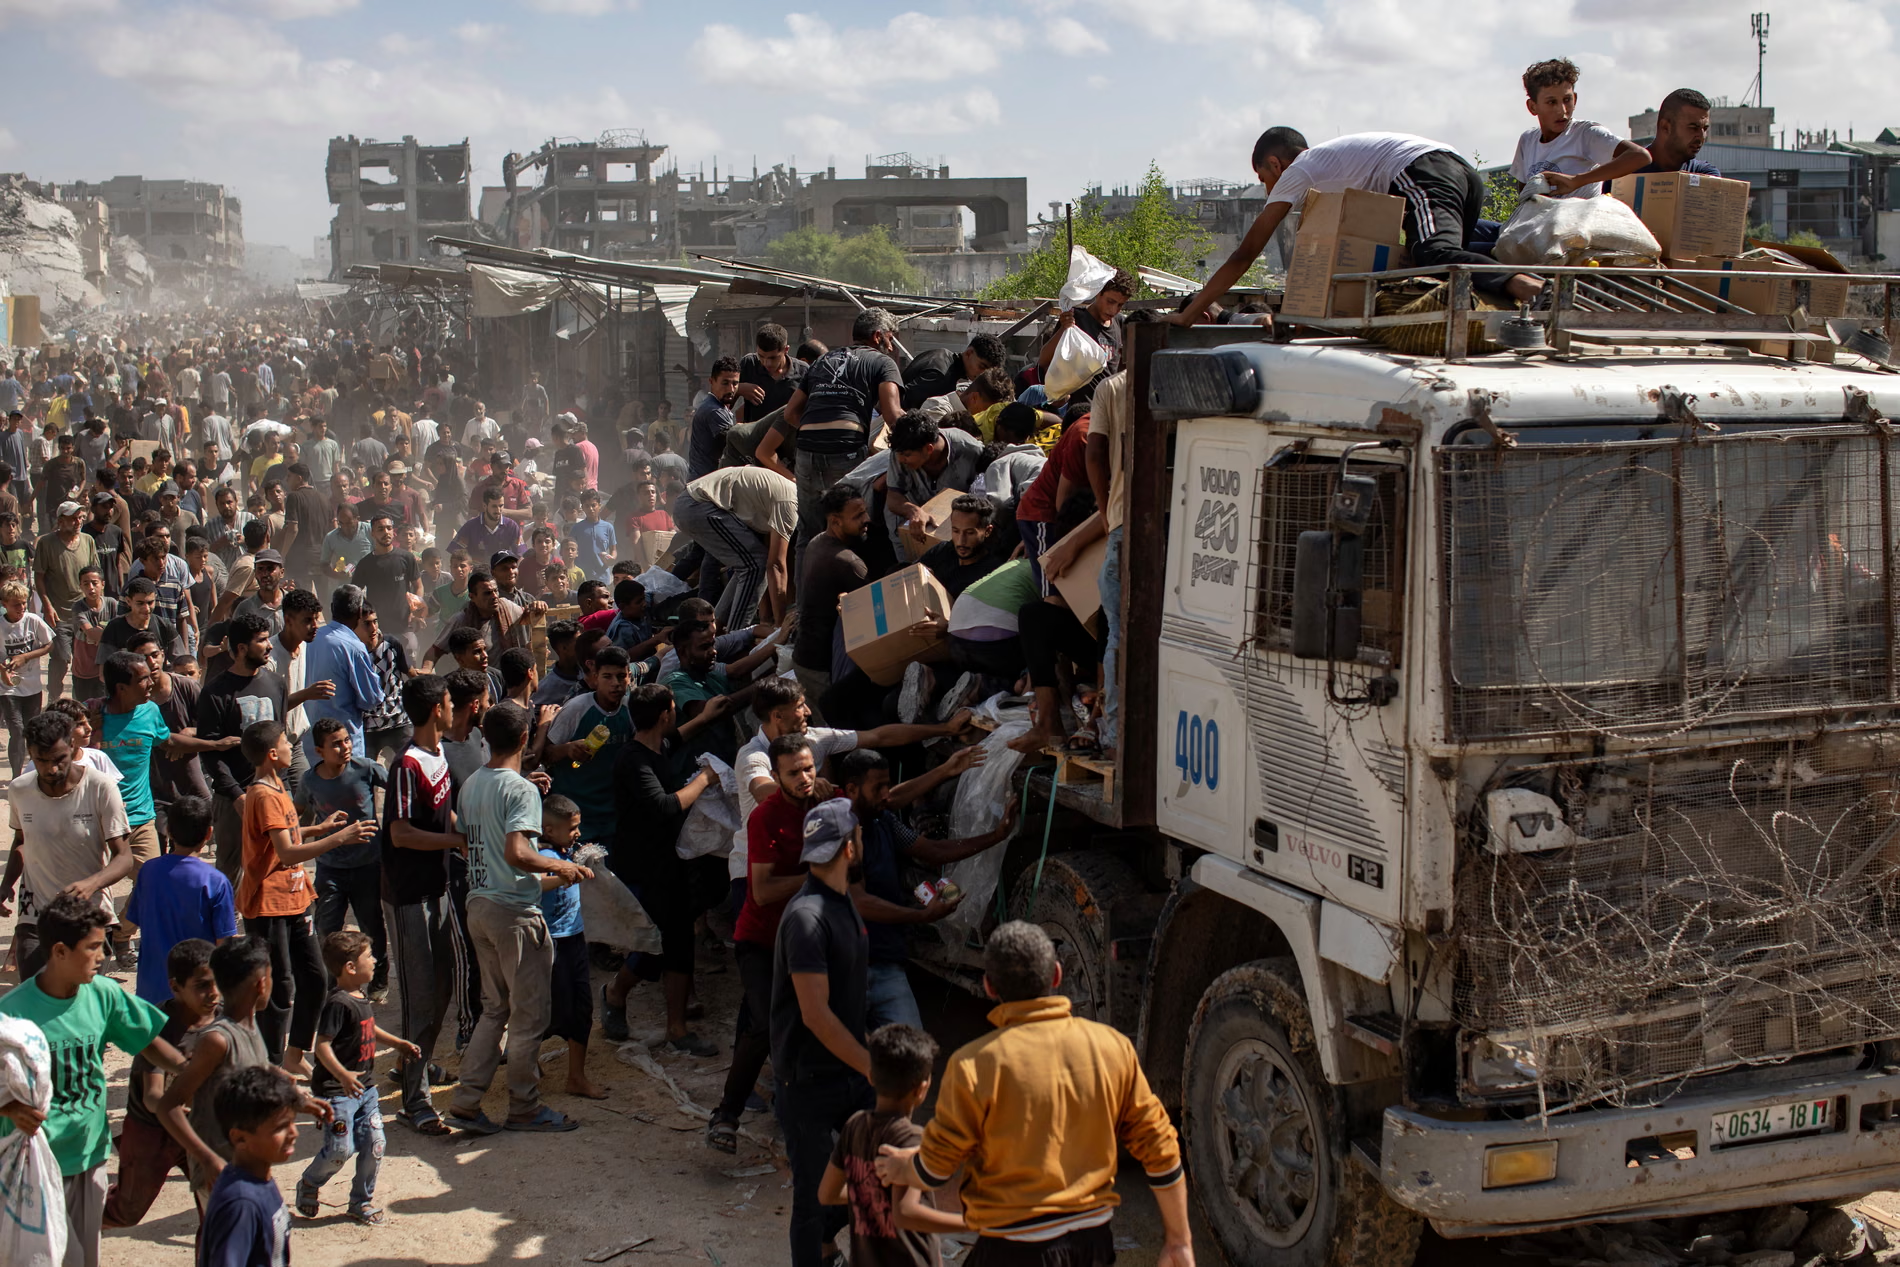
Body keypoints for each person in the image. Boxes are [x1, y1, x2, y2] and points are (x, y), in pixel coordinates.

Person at [874, 921, 1193, 1267]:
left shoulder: (973, 1064)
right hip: (1093, 1244)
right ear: (1056, 974)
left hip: (1011, 1248)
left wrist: (902, 1168)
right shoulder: (1112, 1047)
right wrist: (1179, 1241)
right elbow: (1160, 1145)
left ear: (989, 986)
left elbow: (936, 1168)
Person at [1174, 129, 1546, 327]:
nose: (1269, 191)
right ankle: (1523, 286)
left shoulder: (1298, 172)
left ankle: (1533, 287)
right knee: (1443, 269)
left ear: (1275, 164)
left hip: (1423, 170)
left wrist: (1189, 314)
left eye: (1264, 179)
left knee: (1433, 252)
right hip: (1459, 171)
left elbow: (1245, 254)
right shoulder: (1332, 166)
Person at [0, 894, 189, 1267]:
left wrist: (202, 1074)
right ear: (59, 951)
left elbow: (154, 1047)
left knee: (83, 1258)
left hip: (89, 1154)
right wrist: (9, 1107)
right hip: (36, 1164)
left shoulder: (103, 995)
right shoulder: (13, 1013)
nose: (103, 956)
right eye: (92, 947)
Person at [446, 703, 591, 1135]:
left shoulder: (472, 784)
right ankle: (525, 1106)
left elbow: (467, 843)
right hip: (513, 913)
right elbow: (517, 852)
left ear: (486, 738)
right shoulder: (522, 790)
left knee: (495, 1010)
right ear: (525, 738)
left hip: (479, 906)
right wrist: (561, 866)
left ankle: (467, 1100)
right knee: (528, 1017)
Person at [840, 748, 1016, 1028]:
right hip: (845, 965)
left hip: (886, 961)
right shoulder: (836, 832)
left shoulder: (883, 820)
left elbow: (933, 851)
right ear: (851, 789)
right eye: (878, 788)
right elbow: (859, 901)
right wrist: (923, 916)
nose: (886, 795)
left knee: (910, 1044)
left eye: (887, 785)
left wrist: (996, 835)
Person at [237, 718, 377, 1073]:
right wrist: (338, 838)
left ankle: (295, 1054)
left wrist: (319, 828)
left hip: (295, 898)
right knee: (279, 988)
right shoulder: (263, 795)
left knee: (314, 979)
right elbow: (286, 853)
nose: (291, 747)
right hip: (269, 904)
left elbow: (285, 834)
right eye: (286, 742)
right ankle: (272, 1066)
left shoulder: (278, 787)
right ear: (272, 754)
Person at [772, 796, 874, 1267]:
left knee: (873, 1183)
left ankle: (839, 1251)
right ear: (849, 847)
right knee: (813, 1200)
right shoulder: (807, 918)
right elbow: (815, 1014)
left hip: (849, 1073)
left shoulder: (842, 899)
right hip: (808, 1081)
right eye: (859, 836)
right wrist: (873, 1066)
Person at [601, 683, 719, 1048]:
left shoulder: (657, 746)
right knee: (652, 946)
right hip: (642, 867)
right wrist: (705, 779)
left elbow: (676, 738)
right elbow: (664, 806)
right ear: (665, 714)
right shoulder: (632, 760)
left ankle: (677, 1029)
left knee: (680, 942)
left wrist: (706, 716)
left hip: (671, 861)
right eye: (673, 709)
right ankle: (615, 993)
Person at [378, 675, 466, 1136]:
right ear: (437, 710)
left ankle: (417, 1064)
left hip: (437, 887)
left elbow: (442, 812)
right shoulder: (406, 765)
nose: (454, 709)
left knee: (443, 987)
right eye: (450, 702)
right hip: (409, 895)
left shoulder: (438, 754)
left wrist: (461, 832)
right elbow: (400, 833)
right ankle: (415, 1102)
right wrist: (455, 841)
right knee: (419, 997)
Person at [297, 929, 418, 1226]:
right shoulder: (338, 1003)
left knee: (375, 1144)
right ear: (350, 967)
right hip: (337, 1093)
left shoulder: (360, 996)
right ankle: (310, 1182)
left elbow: (368, 1027)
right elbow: (322, 1045)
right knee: (340, 1150)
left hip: (366, 1091)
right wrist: (342, 1075)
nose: (375, 961)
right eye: (369, 956)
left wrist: (398, 1044)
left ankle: (361, 1201)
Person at [819, 1024, 964, 1266]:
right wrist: (970, 1223)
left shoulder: (854, 1126)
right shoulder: (912, 1140)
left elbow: (827, 1194)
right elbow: (906, 1213)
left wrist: (871, 1196)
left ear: (870, 1076)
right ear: (922, 1088)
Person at [761, 309, 906, 552]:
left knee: (808, 533)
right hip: (845, 448)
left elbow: (791, 413)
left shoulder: (823, 360)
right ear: (878, 336)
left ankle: (807, 578)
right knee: (852, 529)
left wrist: (819, 433)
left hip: (806, 450)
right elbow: (893, 415)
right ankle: (850, 577)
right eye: (890, 339)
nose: (891, 347)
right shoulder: (883, 362)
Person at [4, 710, 133, 979]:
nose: (51, 769)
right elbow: (21, 840)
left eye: (59, 759)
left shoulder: (100, 787)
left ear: (72, 746)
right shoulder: (20, 790)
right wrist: (5, 886)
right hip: (35, 916)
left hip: (88, 916)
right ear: (30, 753)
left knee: (83, 998)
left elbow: (123, 857)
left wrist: (91, 884)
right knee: (38, 995)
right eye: (41, 760)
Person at [102, 938, 218, 1230]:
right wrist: (183, 1106)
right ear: (175, 987)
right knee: (126, 1212)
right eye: (202, 985)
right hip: (151, 1131)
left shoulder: (223, 1019)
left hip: (201, 1129)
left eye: (218, 982)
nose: (213, 993)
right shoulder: (159, 1025)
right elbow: (153, 1095)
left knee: (217, 1210)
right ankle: (74, 1221)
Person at [297, 717, 389, 998]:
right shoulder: (310, 780)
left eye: (347, 740)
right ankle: (334, 986)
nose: (345, 747)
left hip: (367, 865)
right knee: (327, 929)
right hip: (330, 868)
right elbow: (297, 815)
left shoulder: (366, 769)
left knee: (371, 925)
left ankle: (379, 979)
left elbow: (400, 789)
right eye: (336, 744)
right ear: (319, 751)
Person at [197, 612, 290, 880]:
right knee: (232, 875)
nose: (269, 646)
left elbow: (280, 739)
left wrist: (280, 787)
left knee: (274, 869)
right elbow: (210, 752)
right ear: (241, 648)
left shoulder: (277, 684)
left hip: (273, 793)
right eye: (261, 640)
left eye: (268, 639)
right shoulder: (215, 692)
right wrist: (237, 795)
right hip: (232, 800)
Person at [119, 795, 234, 1006]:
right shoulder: (216, 881)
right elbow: (223, 945)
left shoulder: (148, 872)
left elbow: (136, 918)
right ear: (209, 833)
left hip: (151, 995)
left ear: (168, 831)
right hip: (195, 999)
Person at [536, 795, 610, 1099]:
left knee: (582, 1007)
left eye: (578, 827)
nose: (577, 833)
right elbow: (534, 882)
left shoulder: (566, 852)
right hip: (548, 941)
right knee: (545, 1010)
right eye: (571, 828)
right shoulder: (540, 854)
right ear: (549, 830)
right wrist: (564, 874)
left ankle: (576, 1077)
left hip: (574, 937)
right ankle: (527, 1064)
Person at [195, 1066, 301, 1267]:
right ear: (240, 1138)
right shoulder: (241, 1203)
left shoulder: (259, 1178)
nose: (294, 1133)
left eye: (292, 1122)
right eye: (280, 1127)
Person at [673, 464, 796, 629]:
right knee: (754, 565)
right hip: (697, 505)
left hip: (693, 504)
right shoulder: (790, 503)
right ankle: (736, 634)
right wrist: (780, 626)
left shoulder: (785, 494)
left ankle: (716, 629)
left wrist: (769, 619)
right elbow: (775, 565)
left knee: (747, 565)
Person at [1509, 58, 1650, 198]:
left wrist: (1577, 181)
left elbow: (1640, 156)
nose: (1562, 110)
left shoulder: (1586, 134)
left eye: (1567, 100)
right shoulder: (1527, 140)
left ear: (1575, 99)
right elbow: (1524, 196)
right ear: (1533, 107)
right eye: (1551, 102)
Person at [880, 411, 986, 562]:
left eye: (907, 455)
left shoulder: (970, 450)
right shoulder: (900, 452)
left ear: (929, 449)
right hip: (907, 528)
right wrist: (913, 511)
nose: (901, 460)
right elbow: (893, 497)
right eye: (899, 454)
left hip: (951, 531)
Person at [302, 585, 385, 766]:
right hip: (343, 746)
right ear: (360, 612)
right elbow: (371, 699)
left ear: (332, 608)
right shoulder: (353, 647)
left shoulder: (311, 639)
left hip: (310, 743)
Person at [34, 499, 100, 701]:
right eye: (73, 518)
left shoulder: (88, 541)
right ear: (61, 521)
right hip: (58, 612)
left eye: (80, 517)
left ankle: (80, 703)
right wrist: (47, 605)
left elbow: (95, 574)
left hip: (83, 612)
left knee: (84, 660)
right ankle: (54, 699)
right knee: (61, 658)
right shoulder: (46, 543)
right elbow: (39, 577)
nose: (78, 522)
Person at [0, 577, 55, 774]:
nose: (21, 607)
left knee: (32, 731)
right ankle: (16, 776)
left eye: (24, 603)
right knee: (16, 731)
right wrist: (3, 670)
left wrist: (25, 657)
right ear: (4, 604)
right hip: (8, 688)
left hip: (32, 686)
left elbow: (49, 644)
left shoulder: (33, 620)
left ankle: (33, 773)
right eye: (16, 604)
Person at [350, 509, 420, 649]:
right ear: (372, 533)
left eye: (389, 528)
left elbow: (418, 586)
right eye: (380, 529)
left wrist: (415, 611)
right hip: (377, 629)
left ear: (393, 531)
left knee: (409, 658)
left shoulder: (406, 558)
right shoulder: (365, 564)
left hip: (404, 625)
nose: (386, 532)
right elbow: (355, 594)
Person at [921, 494, 1003, 600]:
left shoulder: (993, 575)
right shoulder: (942, 551)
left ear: (987, 531)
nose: (961, 541)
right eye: (956, 531)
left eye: (969, 533)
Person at [1639, 87, 1723, 175]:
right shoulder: (1632, 170)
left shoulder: (1705, 173)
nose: (1701, 136)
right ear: (1665, 127)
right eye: (1693, 128)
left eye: (1705, 129)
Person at [686, 356, 742, 480]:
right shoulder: (715, 411)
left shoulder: (717, 406)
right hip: (706, 483)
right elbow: (736, 444)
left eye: (735, 383)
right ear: (711, 381)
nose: (731, 389)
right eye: (725, 383)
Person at [568, 487, 616, 582]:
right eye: (587, 506)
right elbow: (570, 549)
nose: (591, 509)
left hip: (602, 576)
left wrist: (612, 558)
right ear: (583, 508)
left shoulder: (608, 527)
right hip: (582, 576)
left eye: (593, 505)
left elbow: (613, 549)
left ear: (599, 506)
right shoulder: (577, 528)